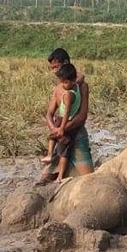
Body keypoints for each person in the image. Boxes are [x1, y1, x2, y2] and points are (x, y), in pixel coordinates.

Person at [40, 48, 93, 182]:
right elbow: (49, 114)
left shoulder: (81, 86)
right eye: (52, 68)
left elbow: (82, 116)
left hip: (77, 134)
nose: (55, 71)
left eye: (57, 67)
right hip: (61, 135)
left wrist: (63, 129)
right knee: (46, 178)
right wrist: (54, 130)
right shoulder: (58, 88)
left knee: (88, 178)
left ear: (66, 62)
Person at [45, 63, 81, 182]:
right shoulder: (76, 86)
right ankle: (50, 154)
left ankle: (60, 175)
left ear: (72, 80)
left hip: (66, 122)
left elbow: (66, 113)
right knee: (52, 137)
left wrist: (62, 128)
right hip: (60, 119)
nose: (63, 85)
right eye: (62, 82)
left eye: (65, 82)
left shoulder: (68, 95)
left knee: (63, 151)